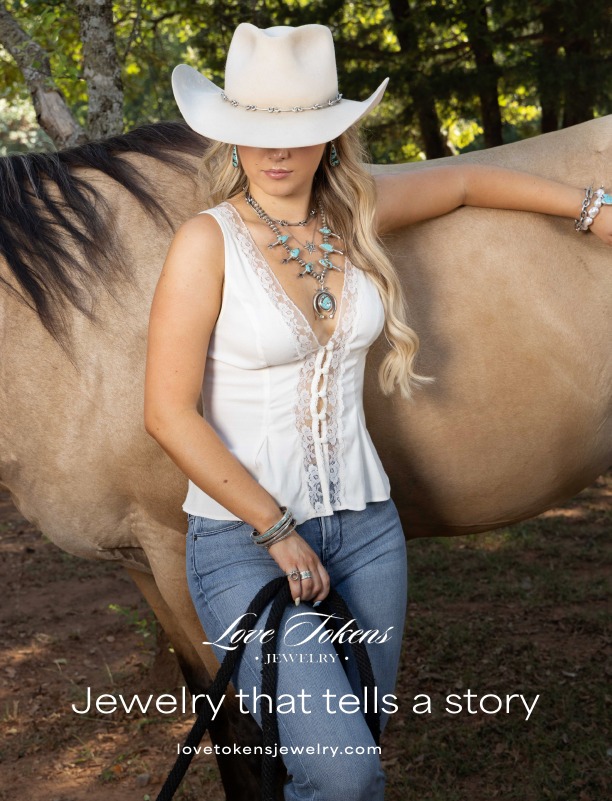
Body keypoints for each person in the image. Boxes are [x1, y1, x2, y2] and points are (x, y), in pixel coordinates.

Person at [144, 22, 612, 801]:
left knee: (345, 763)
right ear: (230, 136)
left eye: (298, 130)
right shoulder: (206, 242)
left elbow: (466, 184)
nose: (277, 151)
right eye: (257, 131)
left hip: (367, 535)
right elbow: (167, 412)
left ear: (330, 134)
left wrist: (592, 206)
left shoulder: (354, 215)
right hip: (243, 543)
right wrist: (274, 528)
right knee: (345, 771)